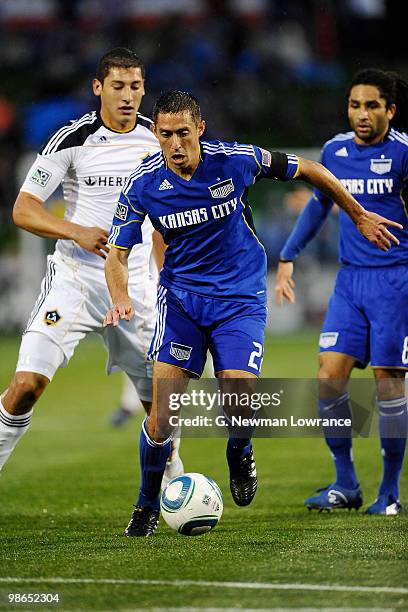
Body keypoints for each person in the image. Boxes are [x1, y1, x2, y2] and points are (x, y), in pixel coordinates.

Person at [104, 89, 401, 537]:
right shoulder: (143, 184)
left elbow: (311, 170)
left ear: (199, 129)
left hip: (240, 298)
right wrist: (120, 295)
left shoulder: (236, 160)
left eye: (184, 133)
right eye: (165, 135)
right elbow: (117, 253)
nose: (176, 144)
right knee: (163, 413)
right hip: (183, 301)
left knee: (239, 396)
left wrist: (357, 215)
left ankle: (239, 451)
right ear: (157, 136)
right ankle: (146, 504)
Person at [0, 48, 183, 483]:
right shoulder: (72, 139)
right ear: (98, 88)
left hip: (136, 284)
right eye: (118, 86)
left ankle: (175, 486)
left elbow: (164, 217)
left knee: (157, 403)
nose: (127, 96)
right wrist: (75, 230)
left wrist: (167, 275)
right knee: (26, 385)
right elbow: (23, 210)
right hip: (76, 282)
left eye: (135, 86)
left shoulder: (156, 139)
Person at [276, 68, 408, 515]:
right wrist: (288, 254)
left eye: (372, 105)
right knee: (329, 377)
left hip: (396, 279)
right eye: (355, 105)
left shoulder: (405, 155)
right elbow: (319, 207)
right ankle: (346, 482)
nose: (362, 114)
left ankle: (389, 492)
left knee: (388, 384)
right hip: (350, 281)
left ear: (390, 109)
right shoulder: (334, 151)